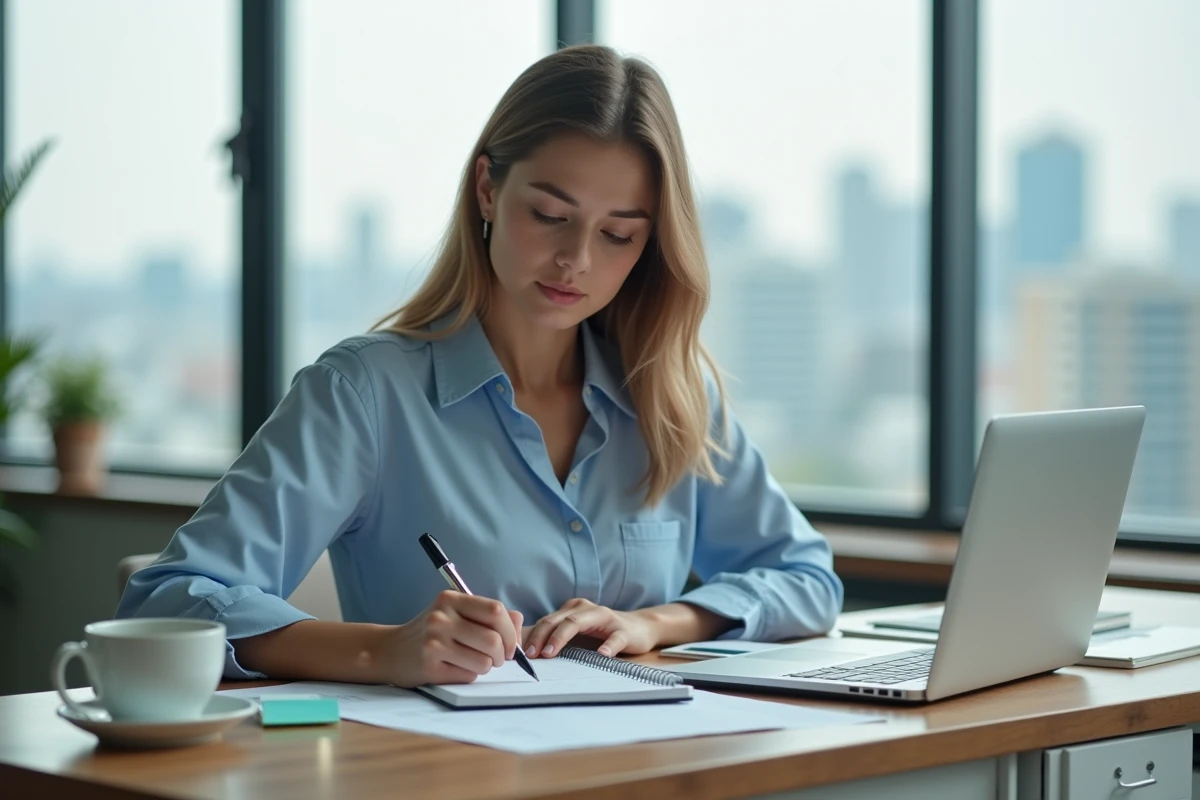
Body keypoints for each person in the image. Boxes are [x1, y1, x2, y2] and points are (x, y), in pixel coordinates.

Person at [117, 44, 843, 688]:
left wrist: (657, 622)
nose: (576, 260)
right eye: (550, 216)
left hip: (641, 765)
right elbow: (168, 598)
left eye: (618, 235)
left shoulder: (670, 395)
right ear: (488, 188)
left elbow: (807, 578)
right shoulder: (364, 394)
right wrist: (384, 650)